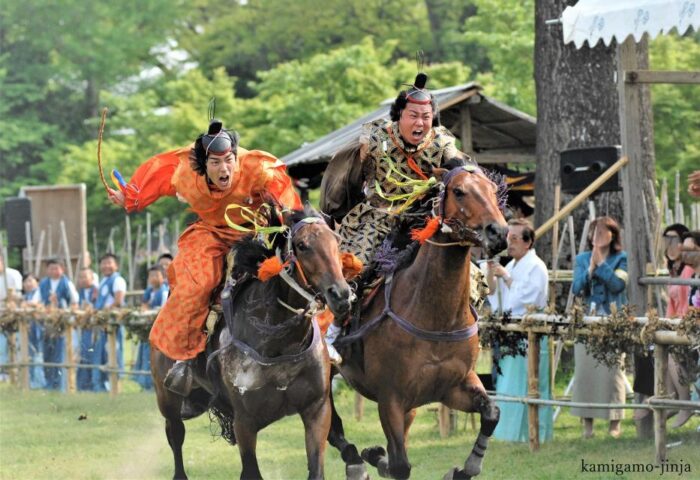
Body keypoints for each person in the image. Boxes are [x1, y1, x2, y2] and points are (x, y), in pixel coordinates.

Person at [106, 118, 302, 395]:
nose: (225, 168)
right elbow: (159, 171)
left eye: (229, 160)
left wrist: (288, 226)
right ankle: (185, 359)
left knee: (305, 271)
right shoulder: (186, 172)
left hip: (260, 232)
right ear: (203, 164)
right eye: (215, 163)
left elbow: (288, 202)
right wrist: (131, 196)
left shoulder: (260, 169)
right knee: (195, 284)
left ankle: (322, 344)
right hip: (211, 234)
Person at [326, 72, 482, 363]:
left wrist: (462, 171)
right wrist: (337, 211)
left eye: (426, 116)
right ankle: (333, 332)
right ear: (399, 115)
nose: (420, 123)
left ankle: (470, 331)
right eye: (414, 115)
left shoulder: (441, 141)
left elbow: (454, 162)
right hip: (377, 216)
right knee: (355, 268)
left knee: (467, 272)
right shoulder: (374, 138)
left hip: (424, 219)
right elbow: (349, 178)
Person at [485, 219, 553, 443]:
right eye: (508, 238)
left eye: (515, 239)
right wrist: (491, 273)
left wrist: (505, 276)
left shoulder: (536, 266)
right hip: (511, 332)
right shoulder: (513, 265)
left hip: (530, 334)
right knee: (509, 384)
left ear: (528, 242)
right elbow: (496, 296)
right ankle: (508, 432)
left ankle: (533, 433)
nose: (510, 243)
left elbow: (529, 298)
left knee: (531, 384)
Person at [571, 216, 628, 438]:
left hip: (612, 320)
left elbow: (618, 284)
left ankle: (615, 422)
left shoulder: (621, 258)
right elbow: (576, 288)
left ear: (613, 234)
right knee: (585, 372)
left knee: (613, 372)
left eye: (604, 231)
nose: (599, 235)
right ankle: (588, 425)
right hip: (588, 319)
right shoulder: (582, 259)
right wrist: (590, 270)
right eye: (595, 231)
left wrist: (602, 267)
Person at [38, 258, 79, 391]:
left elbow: (74, 302)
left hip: (63, 325)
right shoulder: (43, 284)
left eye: (56, 268)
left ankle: (61, 385)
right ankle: (49, 384)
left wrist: (62, 307)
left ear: (62, 269)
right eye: (51, 268)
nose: (54, 270)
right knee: (47, 355)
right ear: (47, 270)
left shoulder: (67, 283)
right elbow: (37, 301)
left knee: (60, 355)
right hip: (47, 324)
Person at [135, 265, 169, 390]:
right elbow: (144, 305)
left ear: (163, 277)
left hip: (159, 331)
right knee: (145, 356)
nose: (153, 278)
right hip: (147, 329)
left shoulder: (164, 291)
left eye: (156, 275)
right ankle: (144, 384)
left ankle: (153, 385)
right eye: (151, 275)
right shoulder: (149, 291)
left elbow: (163, 309)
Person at [75, 267, 99, 391]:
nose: (83, 280)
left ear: (92, 278)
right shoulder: (78, 292)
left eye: (85, 276)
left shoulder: (97, 291)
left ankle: (95, 385)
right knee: (82, 356)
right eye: (81, 277)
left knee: (94, 355)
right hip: (83, 329)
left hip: (95, 329)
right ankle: (82, 385)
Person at [0, 254, 22, 382]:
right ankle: (3, 375)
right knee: (1, 348)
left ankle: (16, 375)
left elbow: (17, 296)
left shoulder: (13, 275)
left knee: (15, 346)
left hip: (13, 315)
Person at [22, 273, 45, 389]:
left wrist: (26, 305)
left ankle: (39, 383)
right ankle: (31, 382)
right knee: (30, 355)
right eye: (26, 281)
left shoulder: (40, 292)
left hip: (39, 329)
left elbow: (37, 304)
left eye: (31, 280)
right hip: (29, 330)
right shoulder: (26, 296)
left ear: (37, 282)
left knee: (39, 355)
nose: (28, 283)